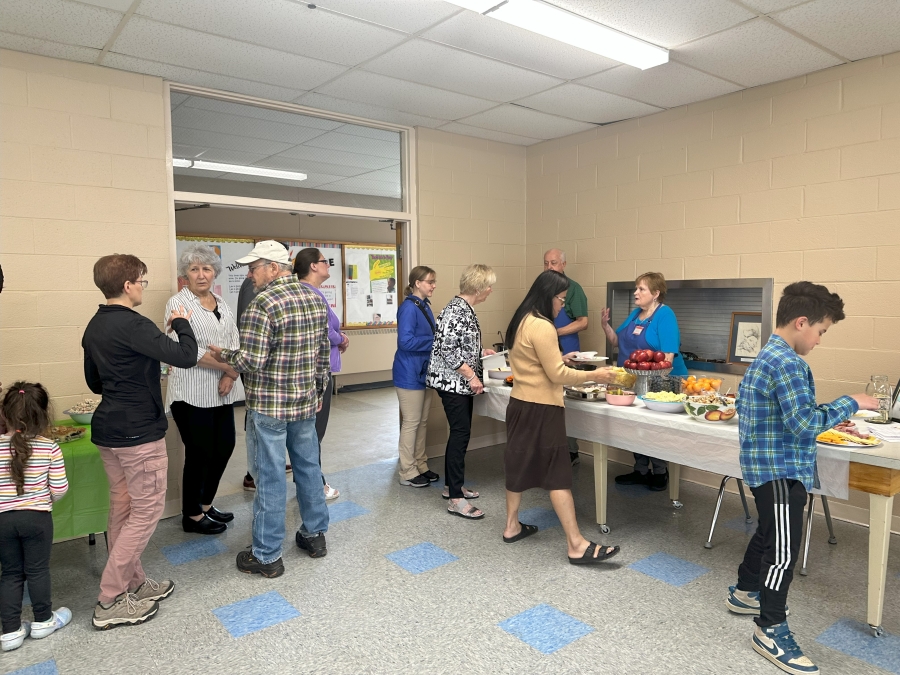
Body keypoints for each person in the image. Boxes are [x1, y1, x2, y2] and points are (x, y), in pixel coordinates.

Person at [727, 282, 878, 674]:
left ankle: (746, 592)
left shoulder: (767, 355)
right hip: (779, 469)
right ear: (801, 322)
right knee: (783, 551)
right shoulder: (789, 362)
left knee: (769, 532)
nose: (820, 340)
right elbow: (805, 424)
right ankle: (770, 628)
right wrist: (852, 402)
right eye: (822, 331)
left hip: (770, 468)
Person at [83, 254, 198, 629]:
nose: (143, 288)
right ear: (129, 285)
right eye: (142, 282)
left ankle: (134, 583)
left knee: (124, 510)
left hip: (108, 431)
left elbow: (94, 383)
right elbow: (186, 355)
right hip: (138, 436)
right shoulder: (135, 325)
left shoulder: (95, 326)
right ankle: (110, 598)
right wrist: (182, 323)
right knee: (146, 513)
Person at [210, 240, 331, 578]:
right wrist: (318, 390)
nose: (249, 275)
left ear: (274, 268)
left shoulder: (263, 304)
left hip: (269, 408)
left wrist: (223, 355)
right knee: (308, 468)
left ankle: (265, 554)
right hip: (305, 403)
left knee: (271, 477)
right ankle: (314, 535)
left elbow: (250, 360)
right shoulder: (313, 298)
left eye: (254, 267)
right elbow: (323, 354)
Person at [501, 272, 622, 563]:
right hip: (543, 408)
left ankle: (511, 526)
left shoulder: (522, 318)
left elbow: (531, 361)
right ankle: (576, 544)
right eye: (560, 299)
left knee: (517, 465)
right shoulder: (543, 326)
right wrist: (598, 374)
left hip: (519, 403)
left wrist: (560, 359)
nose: (561, 306)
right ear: (548, 295)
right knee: (558, 475)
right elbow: (556, 375)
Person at [166, 244, 245, 535]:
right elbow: (189, 351)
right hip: (190, 391)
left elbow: (235, 341)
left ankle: (207, 505)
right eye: (194, 269)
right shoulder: (177, 304)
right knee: (199, 452)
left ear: (215, 272)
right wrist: (227, 368)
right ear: (184, 274)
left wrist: (233, 372)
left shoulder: (222, 303)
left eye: (207, 268)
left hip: (223, 390)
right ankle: (191, 515)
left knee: (224, 446)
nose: (201, 275)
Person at [0, 383, 71, 652]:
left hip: (3, 521)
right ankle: (43, 620)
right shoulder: (49, 447)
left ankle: (10, 631)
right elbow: (60, 489)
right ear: (42, 415)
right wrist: (42, 501)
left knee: (10, 573)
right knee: (38, 570)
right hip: (38, 518)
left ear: (4, 415)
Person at [600, 272, 688, 491]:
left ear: (656, 293)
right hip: (634, 381)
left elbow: (668, 357)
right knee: (635, 427)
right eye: (636, 288)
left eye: (641, 289)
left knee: (653, 429)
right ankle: (640, 470)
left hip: (661, 383)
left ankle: (660, 471)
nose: (636, 293)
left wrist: (656, 389)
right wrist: (605, 326)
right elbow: (616, 342)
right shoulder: (635, 314)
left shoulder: (665, 315)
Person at [426, 264, 496, 519]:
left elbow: (459, 344)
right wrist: (472, 376)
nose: (490, 290)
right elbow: (447, 349)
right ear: (478, 287)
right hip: (452, 384)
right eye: (489, 285)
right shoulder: (457, 309)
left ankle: (451, 487)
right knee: (460, 434)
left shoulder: (464, 308)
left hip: (457, 382)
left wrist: (480, 351)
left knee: (460, 434)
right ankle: (455, 498)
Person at [294, 247, 349, 501]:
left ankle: (307, 481)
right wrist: (342, 338)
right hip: (317, 371)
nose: (328, 266)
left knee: (309, 431)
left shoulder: (307, 292)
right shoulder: (311, 293)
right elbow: (324, 330)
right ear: (313, 266)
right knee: (314, 431)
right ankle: (316, 485)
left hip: (313, 368)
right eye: (324, 262)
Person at [392, 266, 439, 488]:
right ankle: (407, 471)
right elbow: (406, 342)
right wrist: (436, 343)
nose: (433, 285)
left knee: (422, 422)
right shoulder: (409, 308)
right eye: (430, 281)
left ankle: (421, 464)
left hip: (423, 372)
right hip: (409, 373)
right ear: (417, 283)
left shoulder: (425, 306)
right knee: (411, 422)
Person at [543, 249, 589, 465]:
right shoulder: (541, 289)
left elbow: (583, 322)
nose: (550, 267)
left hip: (566, 352)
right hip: (544, 353)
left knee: (565, 404)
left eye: (554, 263)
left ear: (563, 265)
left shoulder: (574, 289)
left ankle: (570, 451)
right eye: (546, 263)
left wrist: (555, 332)